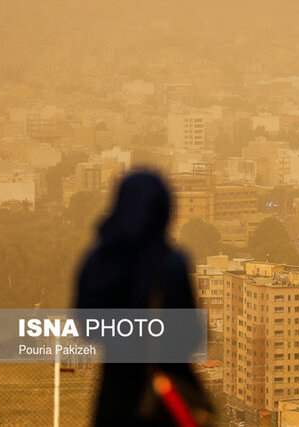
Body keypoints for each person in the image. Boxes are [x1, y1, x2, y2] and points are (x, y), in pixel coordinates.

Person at [75, 170, 212, 427]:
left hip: (115, 394)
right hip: (166, 399)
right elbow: (192, 335)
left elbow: (85, 325)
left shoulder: (97, 263)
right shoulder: (171, 263)